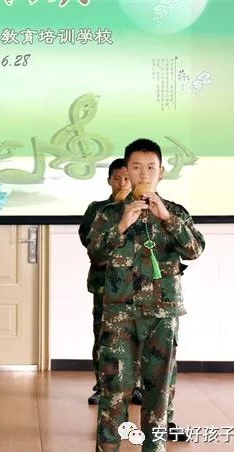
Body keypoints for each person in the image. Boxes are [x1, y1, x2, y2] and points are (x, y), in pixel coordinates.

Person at [88, 138, 204, 452]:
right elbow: (96, 254)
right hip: (119, 315)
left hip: (161, 314)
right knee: (115, 391)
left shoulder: (175, 212)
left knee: (158, 393)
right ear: (126, 171)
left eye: (151, 168)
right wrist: (122, 225)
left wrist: (165, 217)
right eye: (136, 167)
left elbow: (194, 250)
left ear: (161, 173)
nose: (143, 174)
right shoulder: (108, 214)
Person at [79, 158, 145, 406]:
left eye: (126, 178)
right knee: (103, 336)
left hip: (136, 285)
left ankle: (135, 386)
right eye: (116, 178)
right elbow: (88, 239)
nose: (122, 183)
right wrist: (117, 215)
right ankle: (102, 386)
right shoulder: (98, 209)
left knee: (137, 337)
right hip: (104, 284)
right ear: (109, 181)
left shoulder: (143, 207)